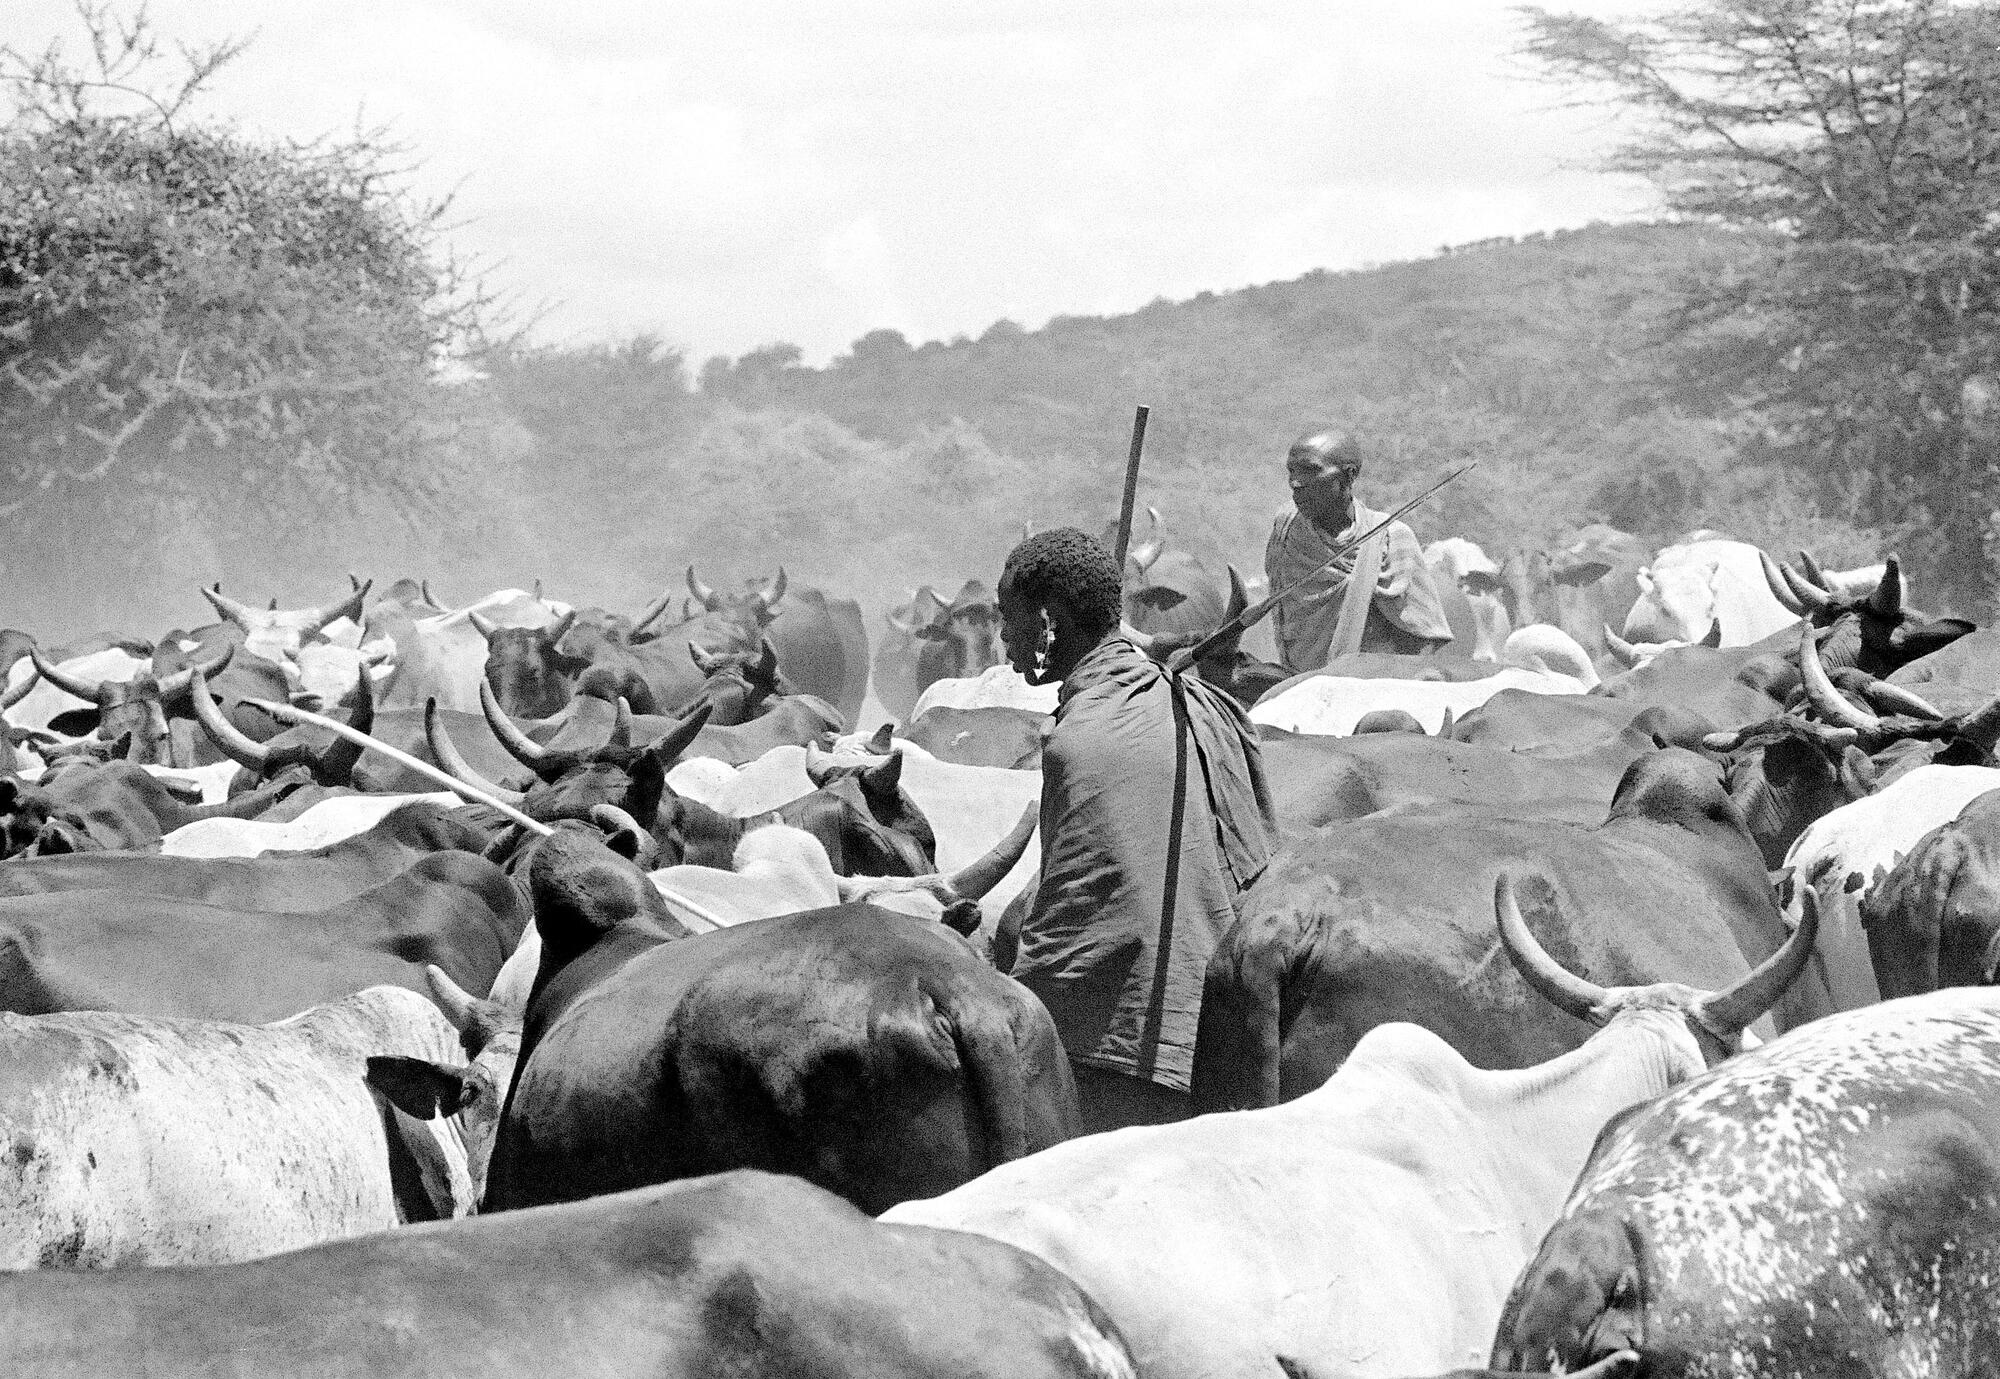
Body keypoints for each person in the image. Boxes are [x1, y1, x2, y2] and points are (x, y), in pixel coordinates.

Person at [995, 528, 1274, 1133]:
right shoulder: (1216, 709)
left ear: (1048, 624)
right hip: (1231, 1026)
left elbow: (1072, 934)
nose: (1003, 640)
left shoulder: (1077, 739)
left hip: (1119, 1059)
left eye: (1009, 619)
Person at [1265, 428, 1454, 670]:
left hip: (1369, 690)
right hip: (1296, 686)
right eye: (1292, 471)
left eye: (1311, 470)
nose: (1295, 483)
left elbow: (1422, 639)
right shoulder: (1287, 530)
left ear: (1349, 475)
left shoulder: (1392, 538)